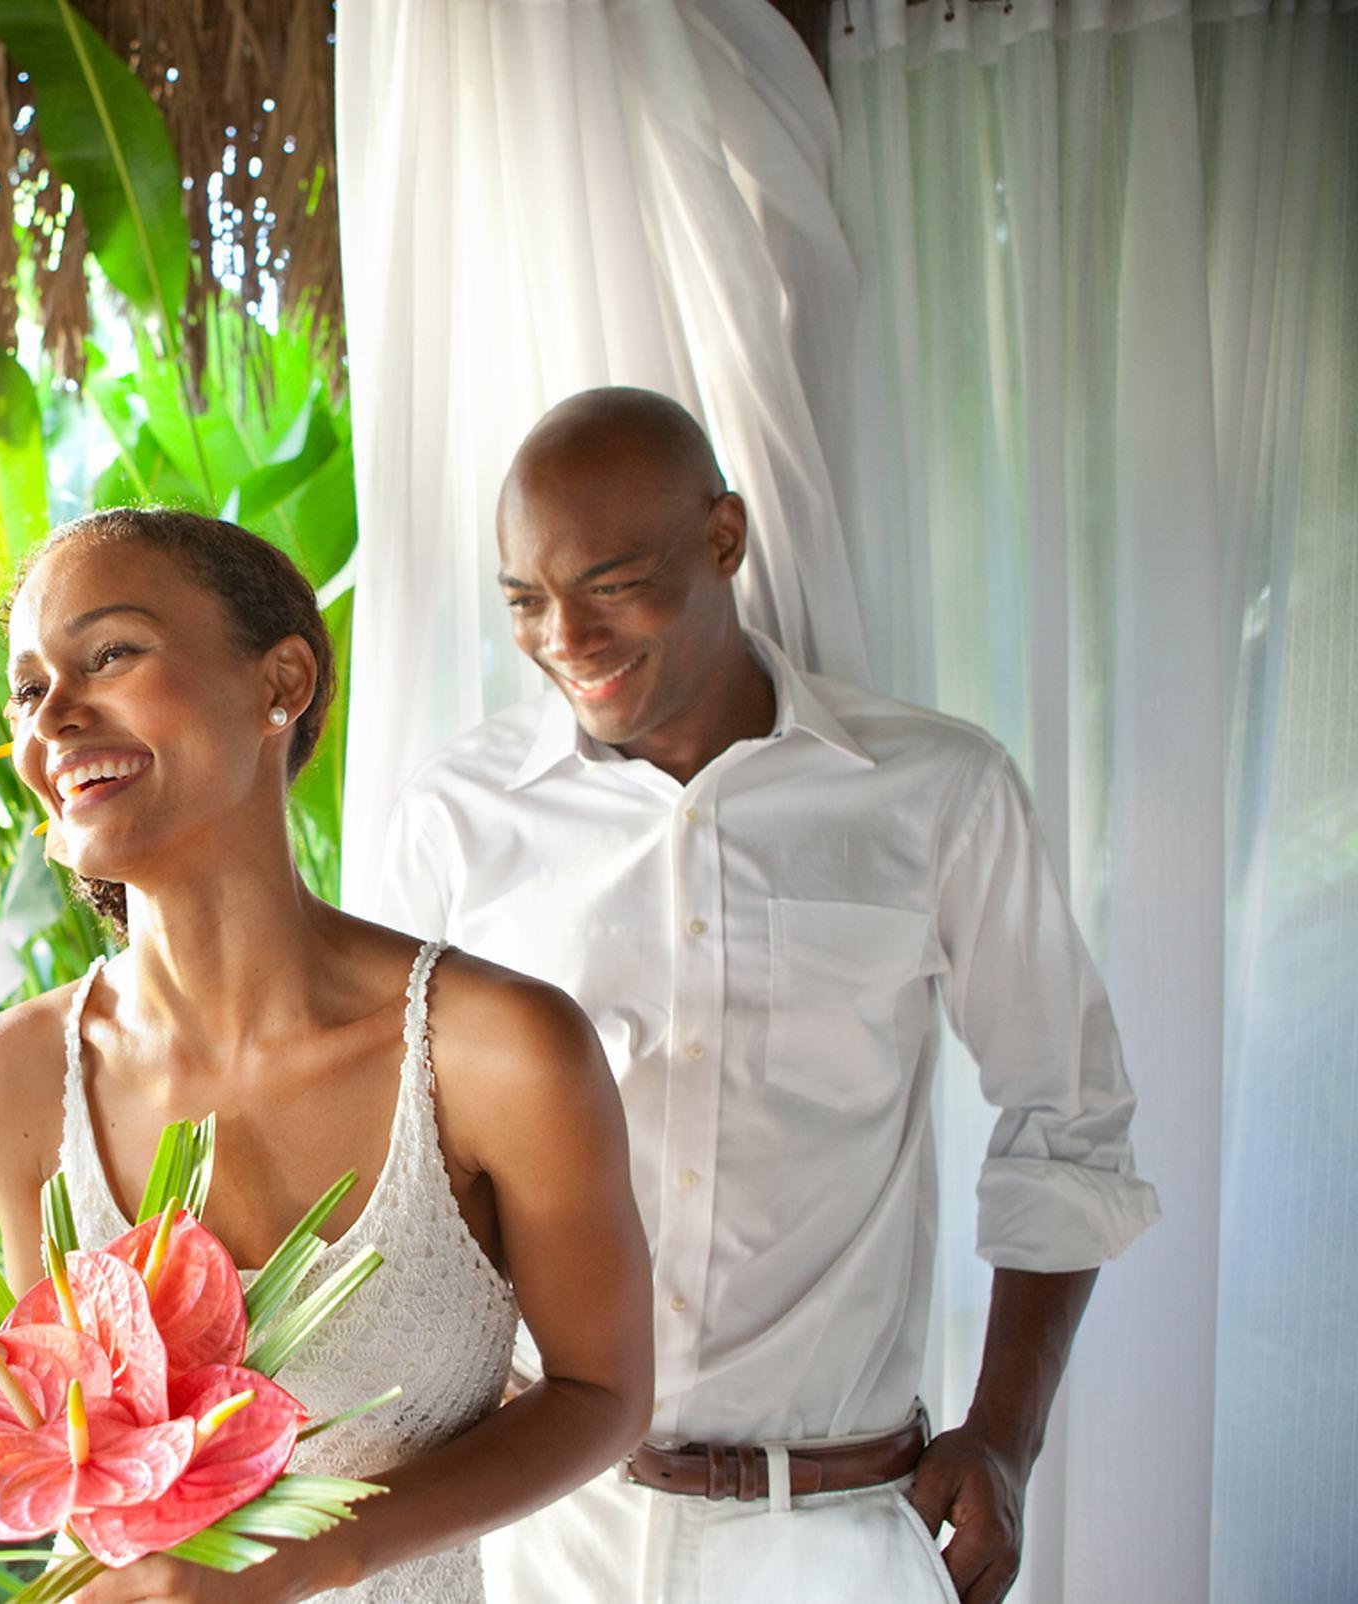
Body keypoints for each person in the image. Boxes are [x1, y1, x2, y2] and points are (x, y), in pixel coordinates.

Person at [371, 388, 1161, 1604]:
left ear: (725, 538)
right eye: (525, 598)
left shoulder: (938, 793)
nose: (563, 635)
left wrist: (1006, 1433)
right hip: (542, 1535)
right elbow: (394, 1154)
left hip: (839, 1533)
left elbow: (1069, 1113)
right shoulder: (457, 819)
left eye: (612, 583)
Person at [0, 508, 654, 1601]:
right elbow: (83, 1442)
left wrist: (318, 1549)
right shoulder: (21, 1073)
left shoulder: (493, 1049)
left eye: (111, 653)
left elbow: (601, 1393)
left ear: (281, 683)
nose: (57, 717)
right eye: (30, 689)